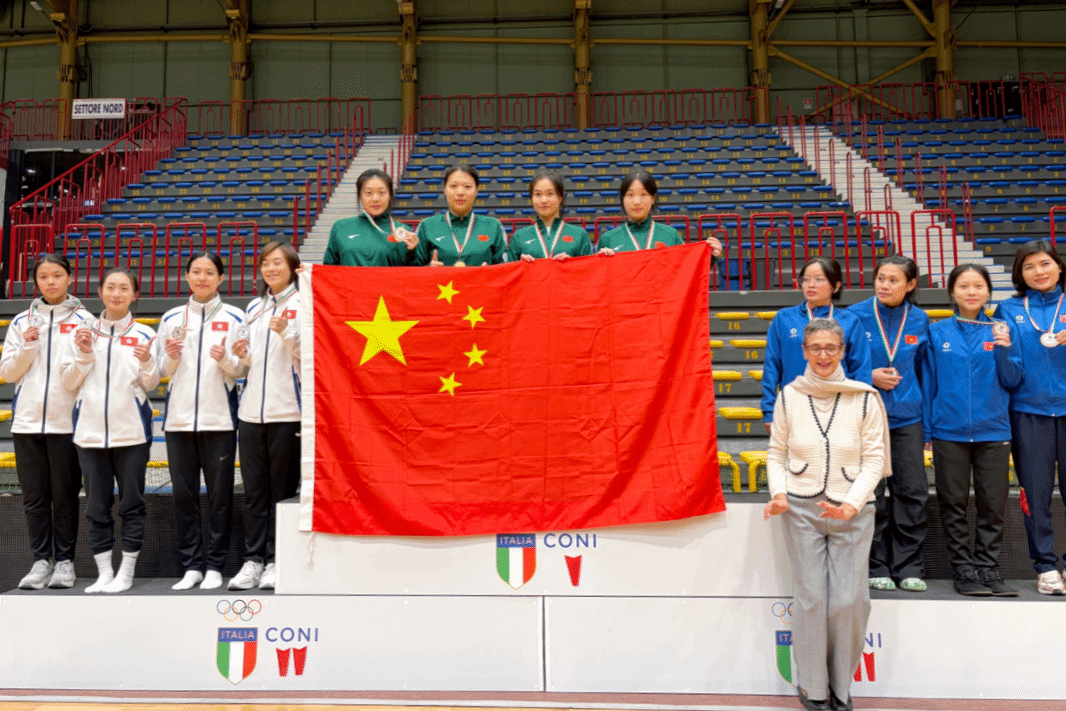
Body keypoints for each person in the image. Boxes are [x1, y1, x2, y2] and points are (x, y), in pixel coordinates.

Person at [764, 318, 888, 711]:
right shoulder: (788, 397)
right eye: (815, 347)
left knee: (849, 601)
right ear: (804, 351)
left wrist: (852, 503)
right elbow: (775, 455)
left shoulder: (865, 398)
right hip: (801, 508)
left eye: (830, 347)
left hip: (852, 512)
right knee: (812, 599)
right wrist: (779, 494)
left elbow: (875, 459)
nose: (823, 355)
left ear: (842, 350)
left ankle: (841, 687)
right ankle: (813, 687)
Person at [923, 264, 1021, 597]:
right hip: (948, 431)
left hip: (994, 430)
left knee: (992, 505)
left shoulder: (1002, 329)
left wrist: (1004, 348)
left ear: (988, 291)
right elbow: (929, 383)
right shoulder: (937, 332)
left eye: (978, 285)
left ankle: (989, 569)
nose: (971, 292)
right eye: (963, 286)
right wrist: (927, 431)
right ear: (952, 292)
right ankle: (964, 571)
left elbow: (1013, 379)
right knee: (953, 504)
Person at [60, 268, 159, 594]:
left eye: (124, 288)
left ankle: (126, 573)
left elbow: (151, 384)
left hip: (132, 434)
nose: (117, 293)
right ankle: (104, 573)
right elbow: (69, 383)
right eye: (111, 287)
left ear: (135, 295)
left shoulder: (145, 334)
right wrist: (84, 354)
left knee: (132, 504)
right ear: (100, 291)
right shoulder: (81, 333)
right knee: (96, 507)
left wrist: (148, 362)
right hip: (89, 434)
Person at [157, 252, 248, 591]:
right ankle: (192, 566)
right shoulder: (171, 318)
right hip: (178, 422)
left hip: (219, 420)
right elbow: (160, 372)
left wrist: (225, 359)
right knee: (184, 498)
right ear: (186, 276)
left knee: (220, 498)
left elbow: (242, 369)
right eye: (196, 271)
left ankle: (215, 566)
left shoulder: (236, 316)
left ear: (221, 278)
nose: (202, 278)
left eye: (209, 272)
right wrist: (171, 356)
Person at [1, 255, 92, 589]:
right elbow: (7, 372)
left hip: (66, 424)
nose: (50, 281)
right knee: (34, 499)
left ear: (69, 278)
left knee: (65, 497)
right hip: (26, 424)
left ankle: (65, 562)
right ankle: (41, 561)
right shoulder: (21, 321)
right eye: (43, 276)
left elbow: (86, 373)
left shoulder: (85, 320)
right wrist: (27, 346)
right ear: (35, 281)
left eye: (57, 275)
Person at [849, 256, 931, 593]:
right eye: (881, 278)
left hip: (908, 418)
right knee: (873, 494)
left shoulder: (920, 319)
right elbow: (835, 365)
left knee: (912, 492)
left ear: (910, 285)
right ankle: (875, 565)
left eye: (893, 280)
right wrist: (868, 376)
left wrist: (927, 424)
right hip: (867, 418)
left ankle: (909, 565)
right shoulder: (854, 316)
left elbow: (926, 372)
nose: (884, 285)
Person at [992, 240, 1066, 595]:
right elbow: (1008, 376)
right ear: (1019, 274)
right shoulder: (1007, 309)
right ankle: (1046, 566)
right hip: (1028, 412)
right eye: (1029, 266)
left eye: (1045, 263)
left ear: (1059, 266)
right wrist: (1005, 350)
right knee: (1035, 495)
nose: (1039, 272)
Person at [229, 241, 302, 591]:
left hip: (287, 412)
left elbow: (309, 352)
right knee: (254, 492)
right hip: (250, 414)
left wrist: (286, 331)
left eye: (278, 262)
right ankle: (253, 560)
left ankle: (276, 560)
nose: (271, 269)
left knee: (281, 492)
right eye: (266, 263)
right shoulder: (254, 306)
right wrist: (241, 354)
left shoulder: (304, 303)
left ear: (292, 266)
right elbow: (251, 362)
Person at [761, 257, 872, 433]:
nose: (811, 285)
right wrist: (769, 411)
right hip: (795, 408)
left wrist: (862, 410)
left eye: (819, 279)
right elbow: (772, 367)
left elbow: (861, 369)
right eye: (806, 279)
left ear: (835, 286)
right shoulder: (784, 318)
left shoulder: (849, 321)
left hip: (840, 409)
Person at [597, 170, 723, 259]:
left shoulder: (670, 235)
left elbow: (687, 271)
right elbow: (599, 281)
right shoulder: (608, 239)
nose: (636, 202)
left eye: (643, 194)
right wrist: (601, 260)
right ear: (622, 199)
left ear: (653, 198)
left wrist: (710, 256)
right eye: (630, 195)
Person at [414, 163, 507, 267]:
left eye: (467, 186)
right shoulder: (426, 226)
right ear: (444, 189)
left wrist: (492, 272)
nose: (460, 192)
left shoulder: (494, 226)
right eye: (453, 186)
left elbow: (506, 269)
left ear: (476, 191)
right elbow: (412, 271)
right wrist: (429, 269)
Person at [323, 168, 420, 266]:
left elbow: (408, 273)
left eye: (382, 193)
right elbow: (327, 270)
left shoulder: (403, 233)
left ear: (390, 195)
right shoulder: (341, 227)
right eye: (369, 193)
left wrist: (411, 252)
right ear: (360, 196)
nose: (375, 199)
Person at [508, 171, 593, 261]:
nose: (544, 200)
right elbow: (509, 269)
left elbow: (590, 269)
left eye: (550, 194)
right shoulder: (519, 237)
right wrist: (520, 265)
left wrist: (572, 265)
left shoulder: (579, 235)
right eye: (538, 194)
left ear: (560, 197)